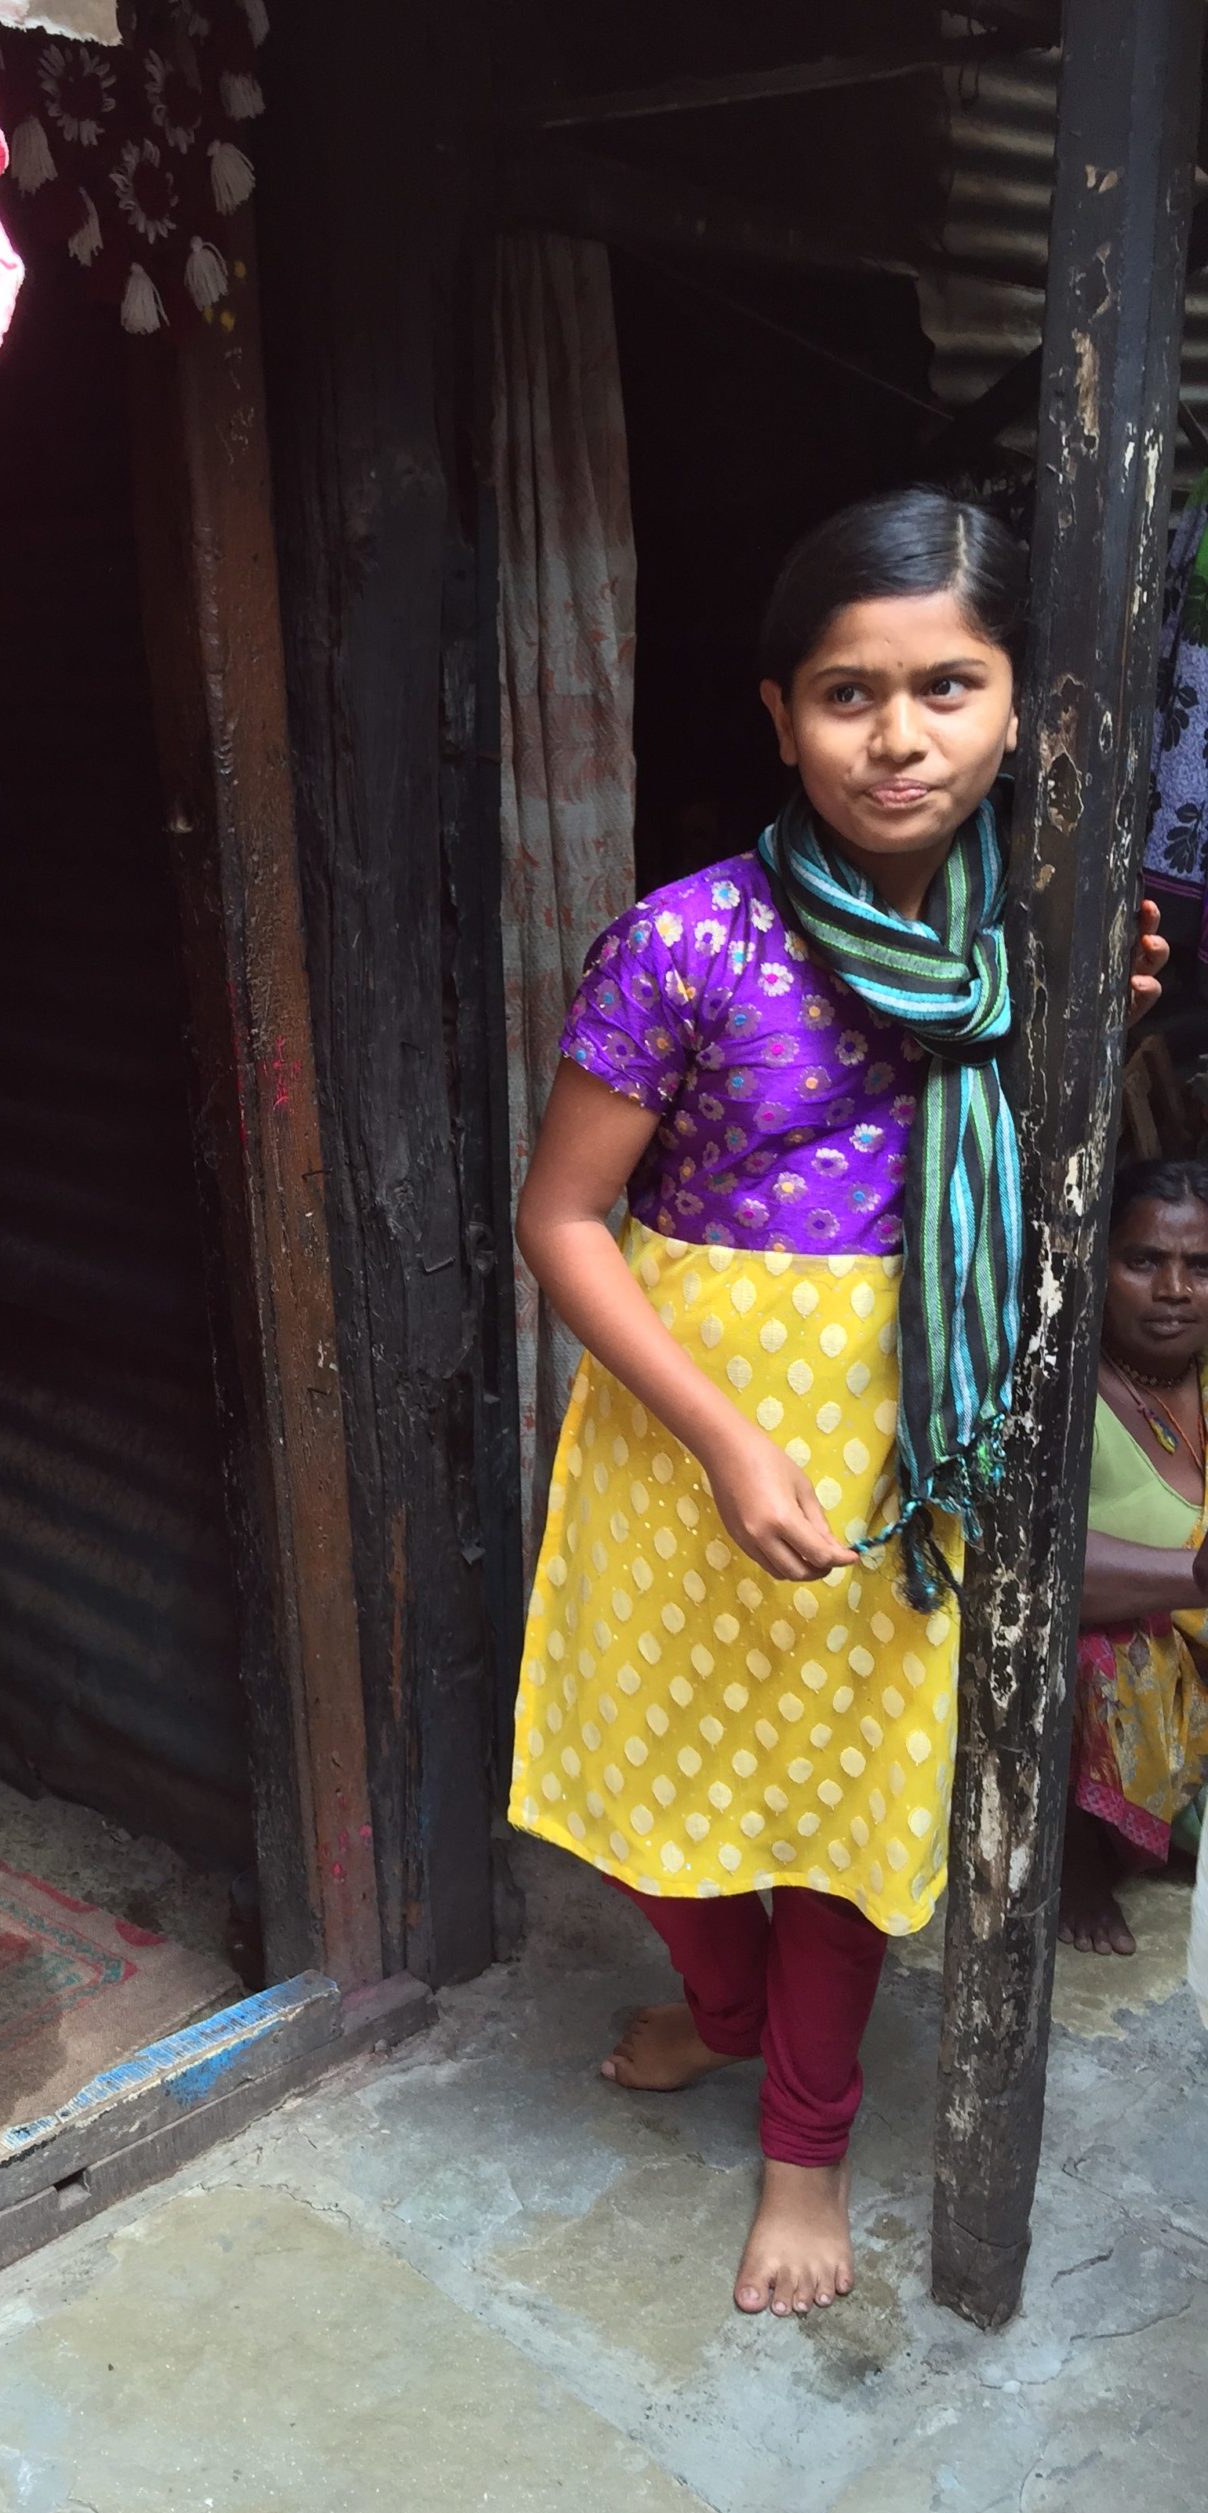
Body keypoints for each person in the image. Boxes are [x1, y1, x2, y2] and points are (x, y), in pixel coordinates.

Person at [511, 488, 1166, 2319]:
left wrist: (1088, 1038)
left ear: (1022, 704)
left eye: (949, 686)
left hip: (910, 1440)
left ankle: (806, 2148)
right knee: (648, 1788)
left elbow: (1028, 1202)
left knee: (840, 1820)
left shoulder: (1038, 953)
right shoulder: (688, 946)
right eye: (847, 695)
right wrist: (723, 1437)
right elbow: (563, 1221)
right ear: (780, 715)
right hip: (685, 1429)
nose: (900, 737)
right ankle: (719, 2014)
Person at [1060, 1158, 1208, 1956]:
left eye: (1201, 1266)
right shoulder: (1063, 1393)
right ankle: (1073, 1862)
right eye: (1144, 1260)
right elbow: (1042, 1570)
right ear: (1097, 1263)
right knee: (1103, 1656)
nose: (1176, 1289)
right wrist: (1194, 1579)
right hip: (1138, 1699)